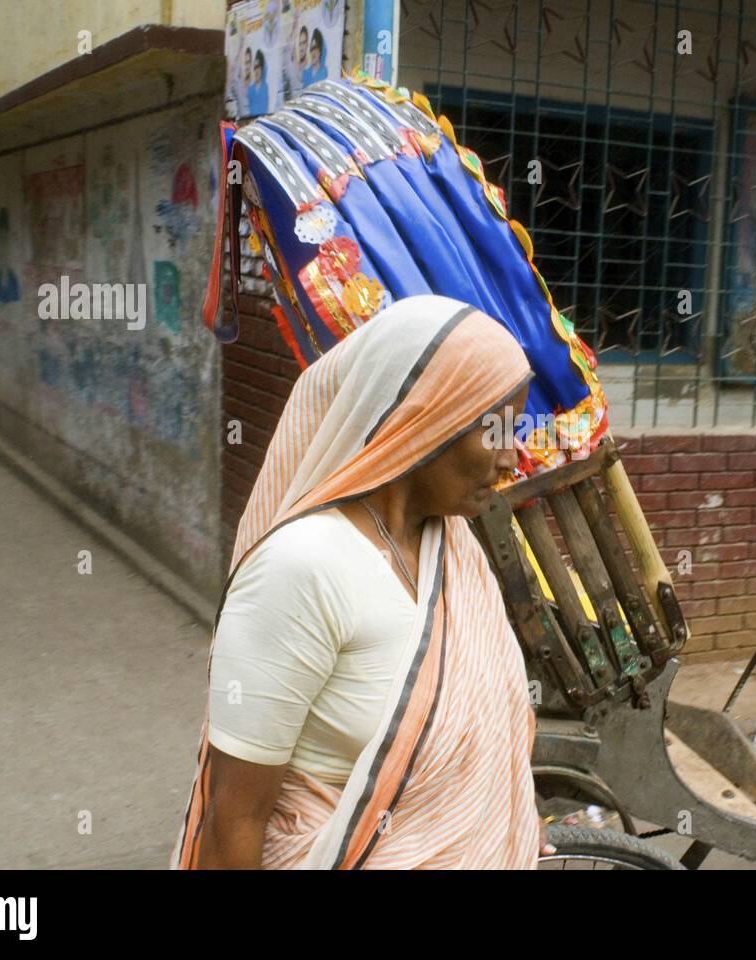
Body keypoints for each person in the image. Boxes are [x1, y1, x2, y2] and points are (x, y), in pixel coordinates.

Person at [173, 295, 550, 869]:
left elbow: (483, 746)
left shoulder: (451, 550)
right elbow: (234, 821)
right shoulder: (301, 570)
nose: (511, 459)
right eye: (494, 430)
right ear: (423, 419)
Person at [247, 49, 270, 116]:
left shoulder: (266, 87)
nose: (257, 71)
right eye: (255, 67)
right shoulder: (250, 89)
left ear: (262, 69)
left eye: (259, 67)